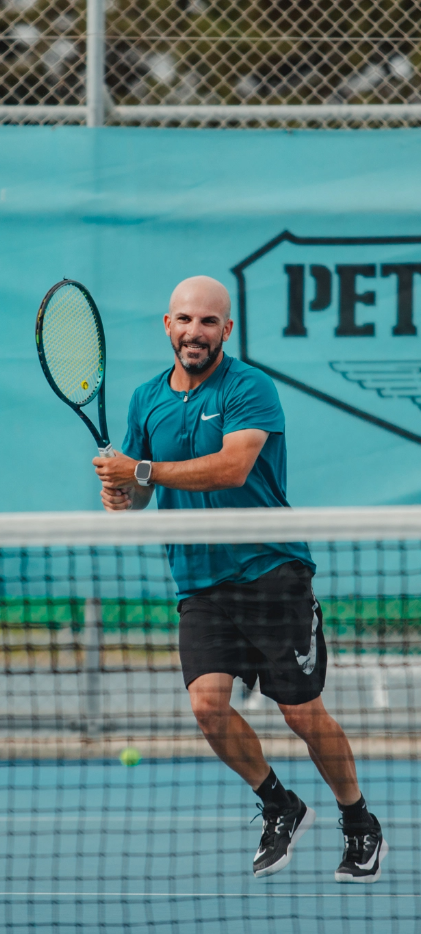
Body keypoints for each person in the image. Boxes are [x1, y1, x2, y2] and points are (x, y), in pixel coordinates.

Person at [93, 275, 388, 883]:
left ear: (227, 329)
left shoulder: (251, 387)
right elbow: (143, 490)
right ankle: (280, 804)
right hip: (198, 582)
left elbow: (232, 468)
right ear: (166, 326)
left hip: (272, 572)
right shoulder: (145, 398)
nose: (193, 332)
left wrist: (142, 467)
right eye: (183, 320)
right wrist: (124, 491)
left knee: (302, 714)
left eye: (207, 322)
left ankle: (358, 819)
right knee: (207, 707)